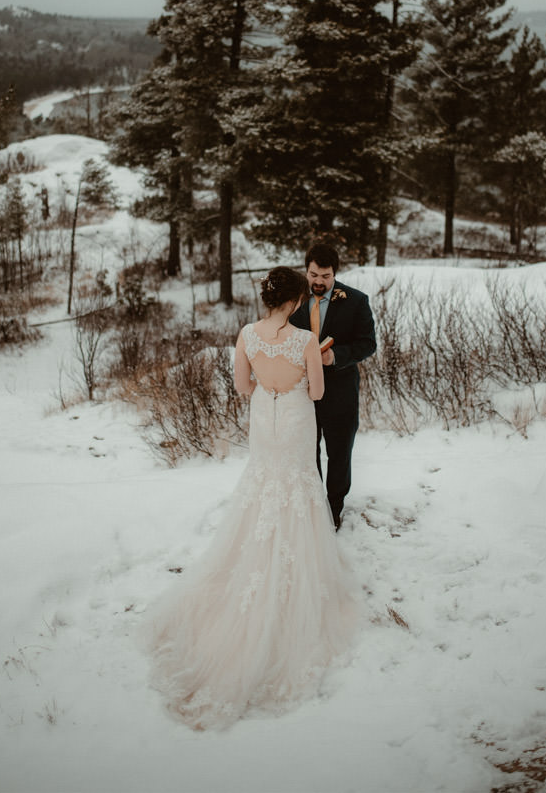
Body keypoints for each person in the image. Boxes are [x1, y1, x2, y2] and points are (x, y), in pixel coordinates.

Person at [145, 265, 362, 729]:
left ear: (268, 298)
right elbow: (319, 391)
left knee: (262, 488)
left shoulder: (246, 333)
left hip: (265, 419)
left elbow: (243, 387)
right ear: (297, 300)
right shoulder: (305, 340)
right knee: (298, 487)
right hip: (298, 419)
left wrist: (270, 386)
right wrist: (302, 377)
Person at [287, 243, 377, 530]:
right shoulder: (292, 301)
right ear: (306, 271)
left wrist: (336, 356)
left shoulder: (356, 301)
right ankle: (312, 505)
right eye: (314, 274)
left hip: (340, 392)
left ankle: (334, 506)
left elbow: (368, 344)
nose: (319, 282)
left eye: (325, 276)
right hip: (301, 392)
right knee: (305, 450)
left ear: (335, 273)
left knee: (339, 452)